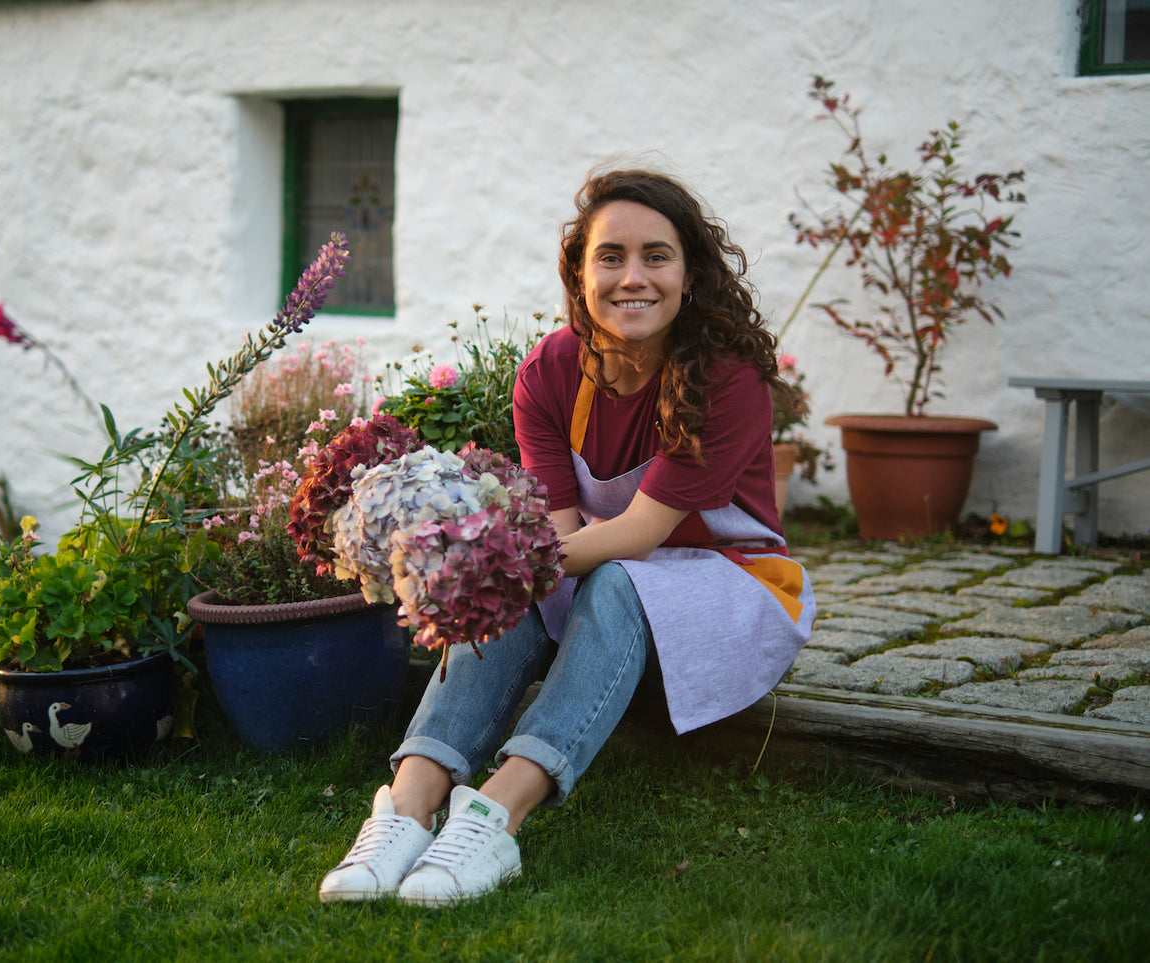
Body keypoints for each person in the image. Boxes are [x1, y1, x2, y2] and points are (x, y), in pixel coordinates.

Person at [318, 166, 815, 907]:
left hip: (732, 587)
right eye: (609, 257)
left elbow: (639, 534)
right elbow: (559, 538)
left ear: (689, 273)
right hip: (613, 572)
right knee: (512, 590)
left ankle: (495, 812)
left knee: (580, 573)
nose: (632, 277)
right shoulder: (549, 372)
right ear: (579, 275)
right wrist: (480, 576)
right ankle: (408, 801)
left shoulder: (727, 379)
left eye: (656, 255)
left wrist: (475, 565)